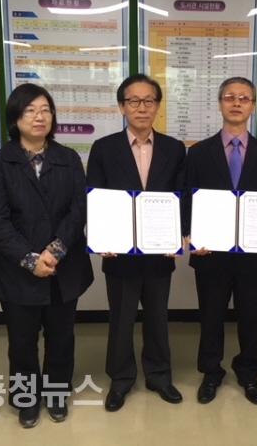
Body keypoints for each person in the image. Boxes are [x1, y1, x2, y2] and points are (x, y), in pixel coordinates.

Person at [0, 83, 94, 428]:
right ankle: (26, 399)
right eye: (30, 110)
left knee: (62, 338)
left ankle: (57, 395)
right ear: (15, 118)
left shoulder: (68, 158)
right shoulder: (0, 161)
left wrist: (55, 251)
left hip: (64, 266)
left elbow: (79, 209)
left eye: (45, 110)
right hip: (17, 269)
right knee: (22, 341)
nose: (39, 117)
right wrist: (31, 259)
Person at [86, 74, 186, 412]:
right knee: (121, 320)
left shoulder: (174, 148)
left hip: (160, 251)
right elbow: (94, 197)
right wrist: (100, 237)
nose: (142, 108)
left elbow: (181, 196)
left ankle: (159, 376)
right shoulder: (104, 148)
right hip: (119, 253)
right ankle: (121, 380)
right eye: (134, 101)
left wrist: (179, 234)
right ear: (122, 107)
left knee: (158, 318)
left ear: (157, 106)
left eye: (149, 101)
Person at [186, 77, 257, 405]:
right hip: (210, 252)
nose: (236, 103)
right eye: (229, 97)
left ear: (253, 106)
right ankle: (211, 373)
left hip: (253, 254)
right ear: (220, 103)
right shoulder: (198, 153)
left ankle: (249, 373)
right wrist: (190, 235)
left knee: (252, 317)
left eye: (244, 98)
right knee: (211, 316)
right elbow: (188, 198)